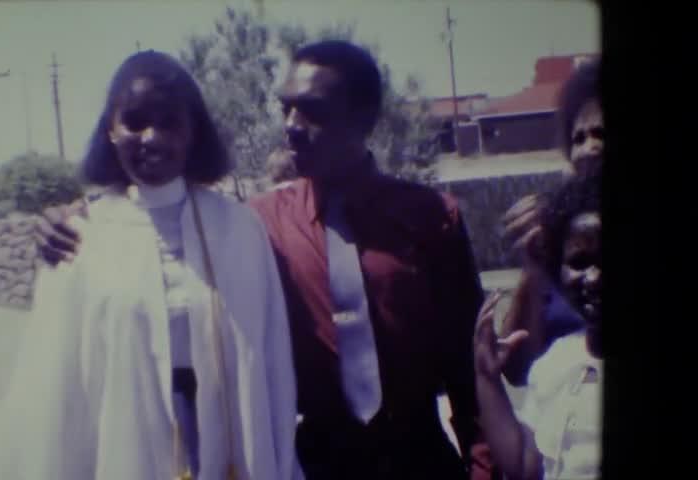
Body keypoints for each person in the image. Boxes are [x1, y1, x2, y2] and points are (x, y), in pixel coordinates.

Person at [36, 41, 495, 479]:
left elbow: (469, 368)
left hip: (420, 459)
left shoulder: (432, 218)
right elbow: (155, 228)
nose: (291, 125)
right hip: (317, 463)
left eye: (312, 110)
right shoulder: (252, 227)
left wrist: (485, 470)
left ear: (364, 117)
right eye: (286, 108)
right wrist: (71, 219)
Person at [0, 50, 302, 480]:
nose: (151, 137)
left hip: (225, 441)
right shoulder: (81, 235)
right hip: (126, 443)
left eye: (169, 122)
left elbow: (270, 361)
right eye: (134, 121)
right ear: (110, 130)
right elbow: (54, 388)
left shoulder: (239, 228)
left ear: (193, 131)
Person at [474, 164, 603, 479]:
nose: (595, 278)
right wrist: (487, 377)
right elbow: (523, 465)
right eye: (579, 262)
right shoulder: (556, 363)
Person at [499, 58, 603, 385]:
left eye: (601, 133)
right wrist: (533, 268)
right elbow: (516, 369)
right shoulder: (561, 241)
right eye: (579, 138)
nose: (588, 149)